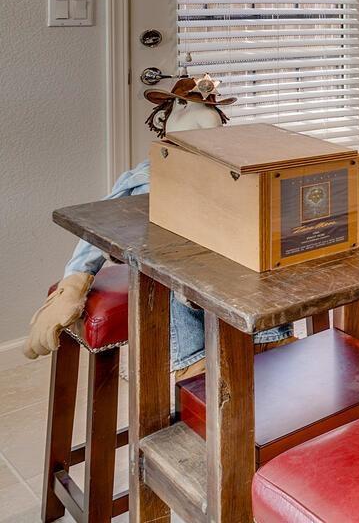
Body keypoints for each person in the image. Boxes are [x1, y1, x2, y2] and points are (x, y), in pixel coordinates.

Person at [23, 75, 292, 376]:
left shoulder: (229, 170)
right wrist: (75, 280)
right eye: (184, 106)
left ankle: (268, 340)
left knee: (259, 260)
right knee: (171, 273)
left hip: (220, 261)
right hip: (169, 262)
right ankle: (193, 360)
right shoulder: (148, 176)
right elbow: (104, 220)